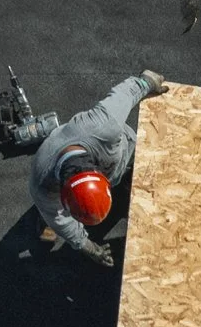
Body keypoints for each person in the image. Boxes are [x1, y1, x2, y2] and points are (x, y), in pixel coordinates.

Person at [31, 70, 167, 266]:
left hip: (124, 151)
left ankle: (127, 178)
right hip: (93, 175)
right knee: (49, 212)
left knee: (140, 164)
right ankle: (42, 217)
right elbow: (60, 219)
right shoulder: (43, 186)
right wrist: (85, 245)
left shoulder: (104, 125)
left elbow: (126, 93)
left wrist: (147, 82)